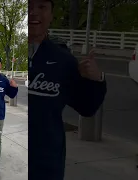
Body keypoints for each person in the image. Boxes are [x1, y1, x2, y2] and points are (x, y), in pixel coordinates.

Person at [28, 0, 107, 179]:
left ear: (51, 15)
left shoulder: (64, 60)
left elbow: (87, 108)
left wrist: (96, 79)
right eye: (28, 6)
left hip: (46, 162)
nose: (33, 12)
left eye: (42, 7)